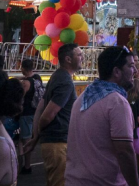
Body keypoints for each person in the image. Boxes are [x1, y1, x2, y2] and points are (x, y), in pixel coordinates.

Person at [63, 46, 139, 186]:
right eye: (131, 66)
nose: (135, 71)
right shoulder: (117, 102)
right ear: (117, 71)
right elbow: (124, 152)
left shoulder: (83, 98)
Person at [25, 43, 82, 186]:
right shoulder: (65, 82)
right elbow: (47, 115)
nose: (82, 57)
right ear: (68, 59)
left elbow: (40, 107)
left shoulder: (57, 76)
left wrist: (36, 136)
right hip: (58, 142)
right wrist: (38, 134)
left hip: (54, 142)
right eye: (79, 55)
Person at [16, 59, 44, 175]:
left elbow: (20, 98)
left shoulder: (26, 84)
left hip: (26, 113)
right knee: (29, 138)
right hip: (35, 112)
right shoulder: (37, 78)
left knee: (26, 139)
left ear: (23, 68)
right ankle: (25, 164)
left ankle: (27, 165)